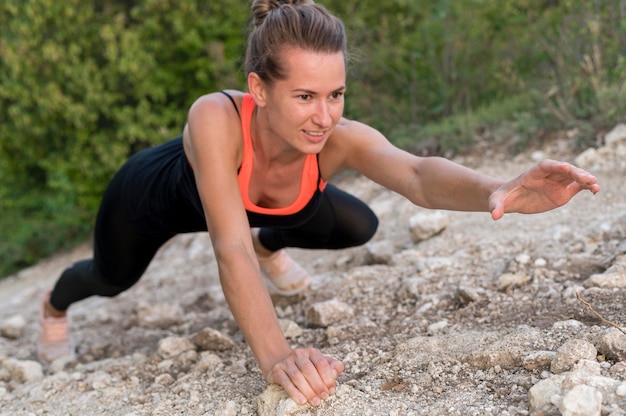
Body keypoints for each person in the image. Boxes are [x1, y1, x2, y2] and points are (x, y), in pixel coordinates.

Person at [37, 0, 601, 408]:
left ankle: (273, 243)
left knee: (358, 222)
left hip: (256, 212)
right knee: (110, 278)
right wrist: (276, 353)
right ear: (260, 90)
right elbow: (227, 245)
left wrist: (496, 190)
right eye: (304, 96)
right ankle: (53, 309)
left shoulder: (336, 136)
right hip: (153, 199)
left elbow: (416, 174)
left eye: (335, 95)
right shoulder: (214, 117)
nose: (324, 116)